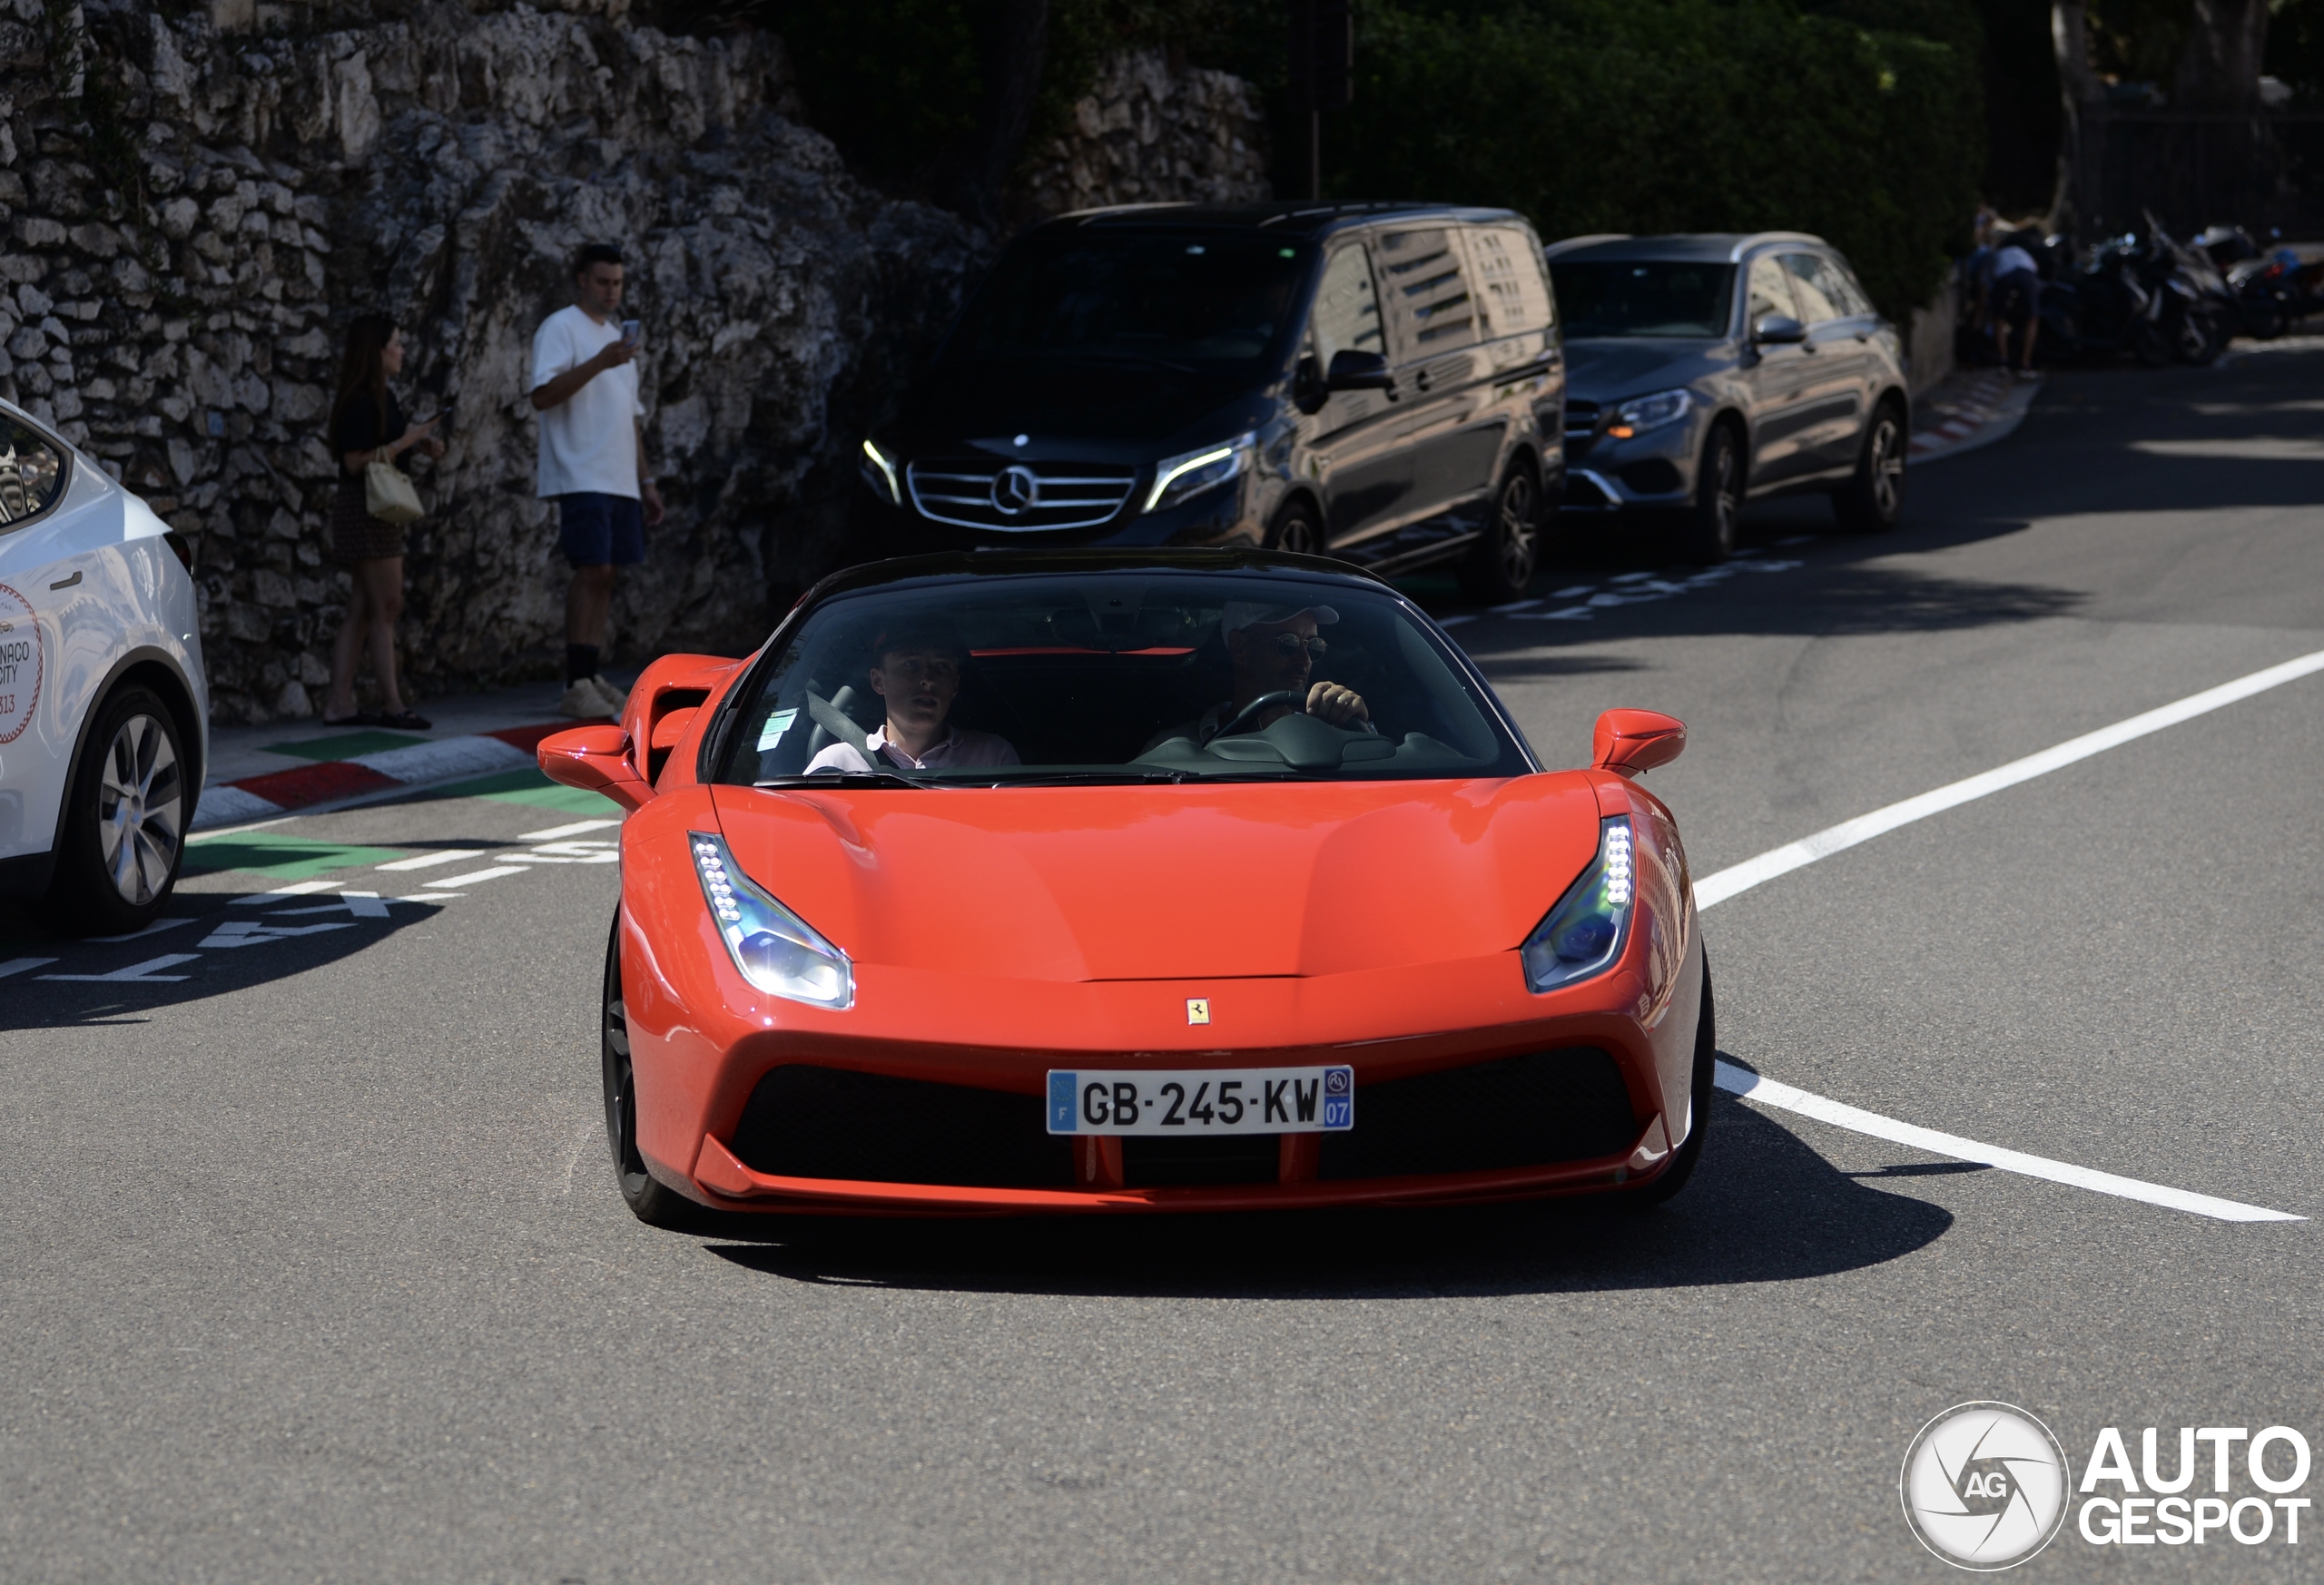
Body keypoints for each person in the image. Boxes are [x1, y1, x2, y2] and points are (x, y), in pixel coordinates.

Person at [530, 242, 665, 719]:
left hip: (618, 478)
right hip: (579, 470)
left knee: (607, 575)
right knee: (591, 570)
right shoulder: (561, 327)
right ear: (582, 280)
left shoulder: (617, 342)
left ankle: (589, 674)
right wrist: (600, 362)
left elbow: (631, 418)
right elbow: (543, 395)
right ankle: (574, 681)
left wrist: (646, 482)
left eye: (619, 282)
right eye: (604, 281)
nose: (612, 291)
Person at [322, 313, 442, 729]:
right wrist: (406, 441)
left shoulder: (381, 396)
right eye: (396, 343)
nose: (402, 350)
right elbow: (355, 461)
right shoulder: (360, 399)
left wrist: (419, 444)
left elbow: (383, 445)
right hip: (366, 509)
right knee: (387, 605)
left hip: (374, 511)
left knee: (364, 605)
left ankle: (340, 701)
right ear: (377, 350)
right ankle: (391, 703)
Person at [1146, 601, 1370, 751]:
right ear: (1240, 647)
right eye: (1288, 643)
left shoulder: (1331, 734)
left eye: (1314, 646)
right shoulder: (1177, 746)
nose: (1304, 659)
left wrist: (1356, 724)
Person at [803, 621, 1019, 774]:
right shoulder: (837, 764)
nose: (928, 680)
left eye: (941, 666)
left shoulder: (992, 758)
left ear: (954, 686)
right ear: (878, 681)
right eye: (911, 665)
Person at [1989, 232, 2043, 379]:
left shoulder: (1998, 254)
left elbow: (1985, 284)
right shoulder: (2024, 254)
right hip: (2026, 275)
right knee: (2032, 318)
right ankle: (2024, 363)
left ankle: (2003, 360)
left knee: (1999, 317)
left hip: (2005, 275)